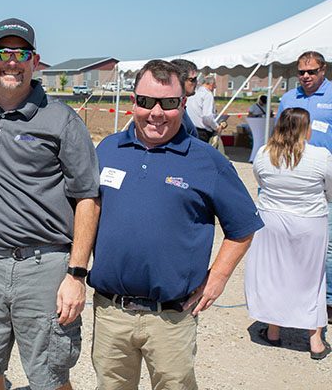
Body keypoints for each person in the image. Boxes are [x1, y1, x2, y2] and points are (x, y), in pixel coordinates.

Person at [88, 59, 263, 389]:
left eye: (168, 103)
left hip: (171, 318)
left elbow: (243, 227)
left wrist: (218, 279)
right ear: (133, 101)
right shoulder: (108, 150)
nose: (156, 113)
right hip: (111, 312)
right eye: (145, 101)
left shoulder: (206, 160)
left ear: (183, 103)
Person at [0, 18, 100, 390]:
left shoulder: (62, 120)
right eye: (3, 53)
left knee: (50, 376)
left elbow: (88, 197)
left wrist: (76, 274)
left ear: (35, 60)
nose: (12, 61)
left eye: (21, 53)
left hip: (44, 267)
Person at [245, 108, 331, 360]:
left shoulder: (263, 153)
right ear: (305, 127)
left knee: (276, 275)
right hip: (309, 221)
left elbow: (260, 181)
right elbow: (331, 187)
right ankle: (315, 340)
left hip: (272, 219)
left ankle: (273, 330)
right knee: (312, 278)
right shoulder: (321, 155)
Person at [277, 51, 332, 324]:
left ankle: (328, 299)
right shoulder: (288, 98)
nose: (306, 76)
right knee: (288, 243)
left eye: (311, 71)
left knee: (327, 244)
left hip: (324, 176)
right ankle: (288, 297)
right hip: (292, 178)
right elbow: (278, 135)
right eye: (301, 72)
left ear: (323, 70)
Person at [186, 74, 227, 142]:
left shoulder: (193, 93)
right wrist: (216, 127)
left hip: (190, 129)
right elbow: (207, 116)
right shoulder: (207, 94)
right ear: (211, 84)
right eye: (214, 85)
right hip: (202, 133)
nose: (215, 87)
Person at [171, 58, 199, 138]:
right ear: (178, 80)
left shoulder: (180, 106)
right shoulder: (172, 111)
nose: (196, 83)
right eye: (192, 79)